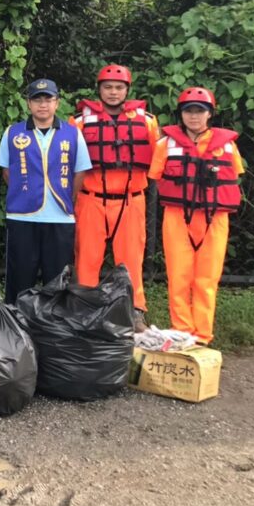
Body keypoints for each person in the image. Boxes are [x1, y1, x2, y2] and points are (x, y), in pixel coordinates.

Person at [148, 87, 243, 345]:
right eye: (188, 111)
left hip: (214, 218)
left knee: (207, 278)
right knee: (178, 276)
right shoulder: (165, 144)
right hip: (177, 216)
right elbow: (155, 174)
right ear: (181, 114)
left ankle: (202, 336)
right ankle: (181, 331)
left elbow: (235, 175)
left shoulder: (227, 146)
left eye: (199, 111)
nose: (193, 116)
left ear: (210, 114)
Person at [71, 65, 159, 332]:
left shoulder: (147, 121)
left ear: (127, 91)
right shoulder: (78, 122)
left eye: (118, 87)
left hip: (130, 199)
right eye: (107, 87)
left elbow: (159, 159)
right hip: (91, 198)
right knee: (86, 258)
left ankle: (134, 311)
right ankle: (83, 310)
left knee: (131, 258)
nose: (113, 92)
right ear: (98, 90)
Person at [0, 79, 91, 303]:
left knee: (58, 279)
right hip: (22, 216)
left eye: (48, 99)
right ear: (28, 104)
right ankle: (16, 324)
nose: (43, 105)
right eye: (37, 99)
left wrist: (67, 198)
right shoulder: (12, 133)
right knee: (20, 278)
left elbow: (80, 172)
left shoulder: (73, 133)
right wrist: (25, 193)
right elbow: (6, 171)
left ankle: (55, 327)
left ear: (57, 103)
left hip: (60, 215)